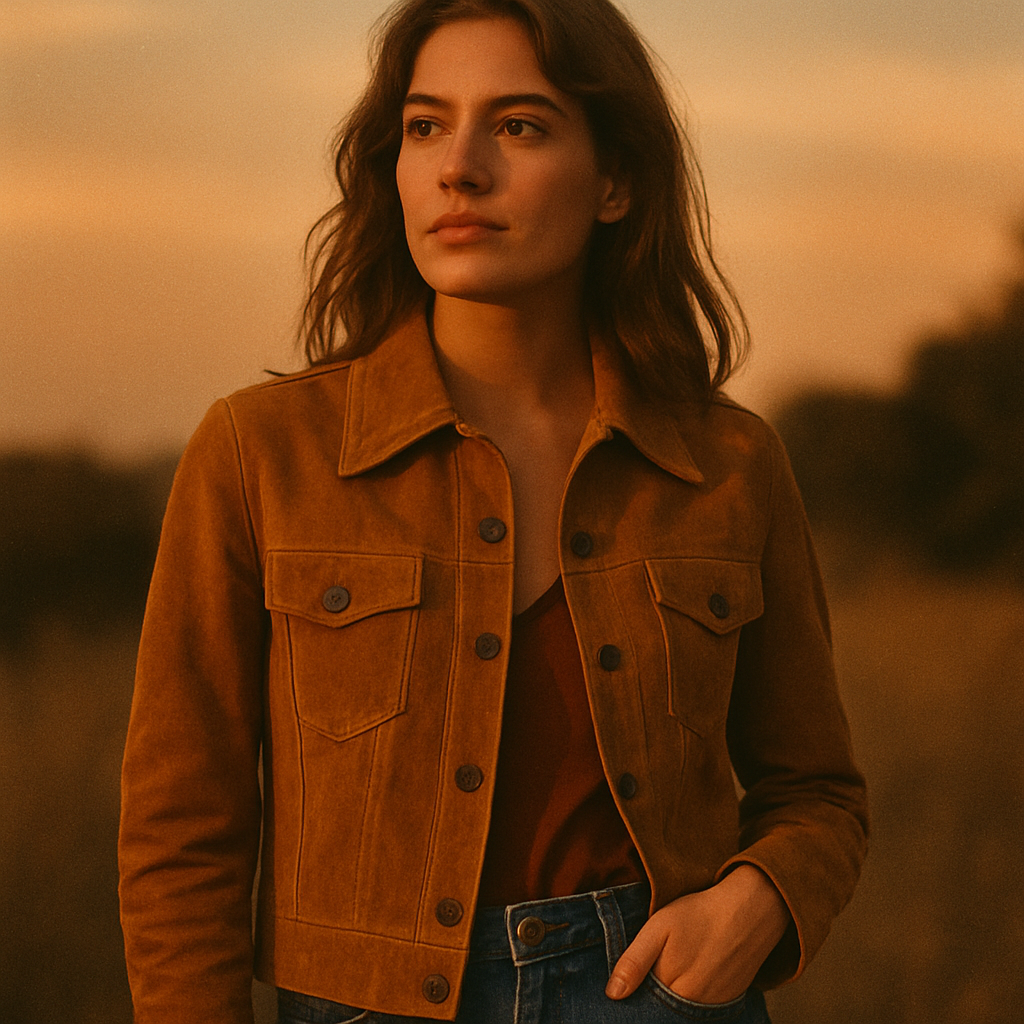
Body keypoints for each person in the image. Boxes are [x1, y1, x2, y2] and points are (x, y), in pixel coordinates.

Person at [118, 1, 868, 1022]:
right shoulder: (261, 454)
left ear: (616, 182)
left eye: (518, 126)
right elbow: (181, 830)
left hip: (656, 992)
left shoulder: (728, 463)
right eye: (425, 126)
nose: (458, 167)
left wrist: (757, 900)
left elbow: (819, 790)